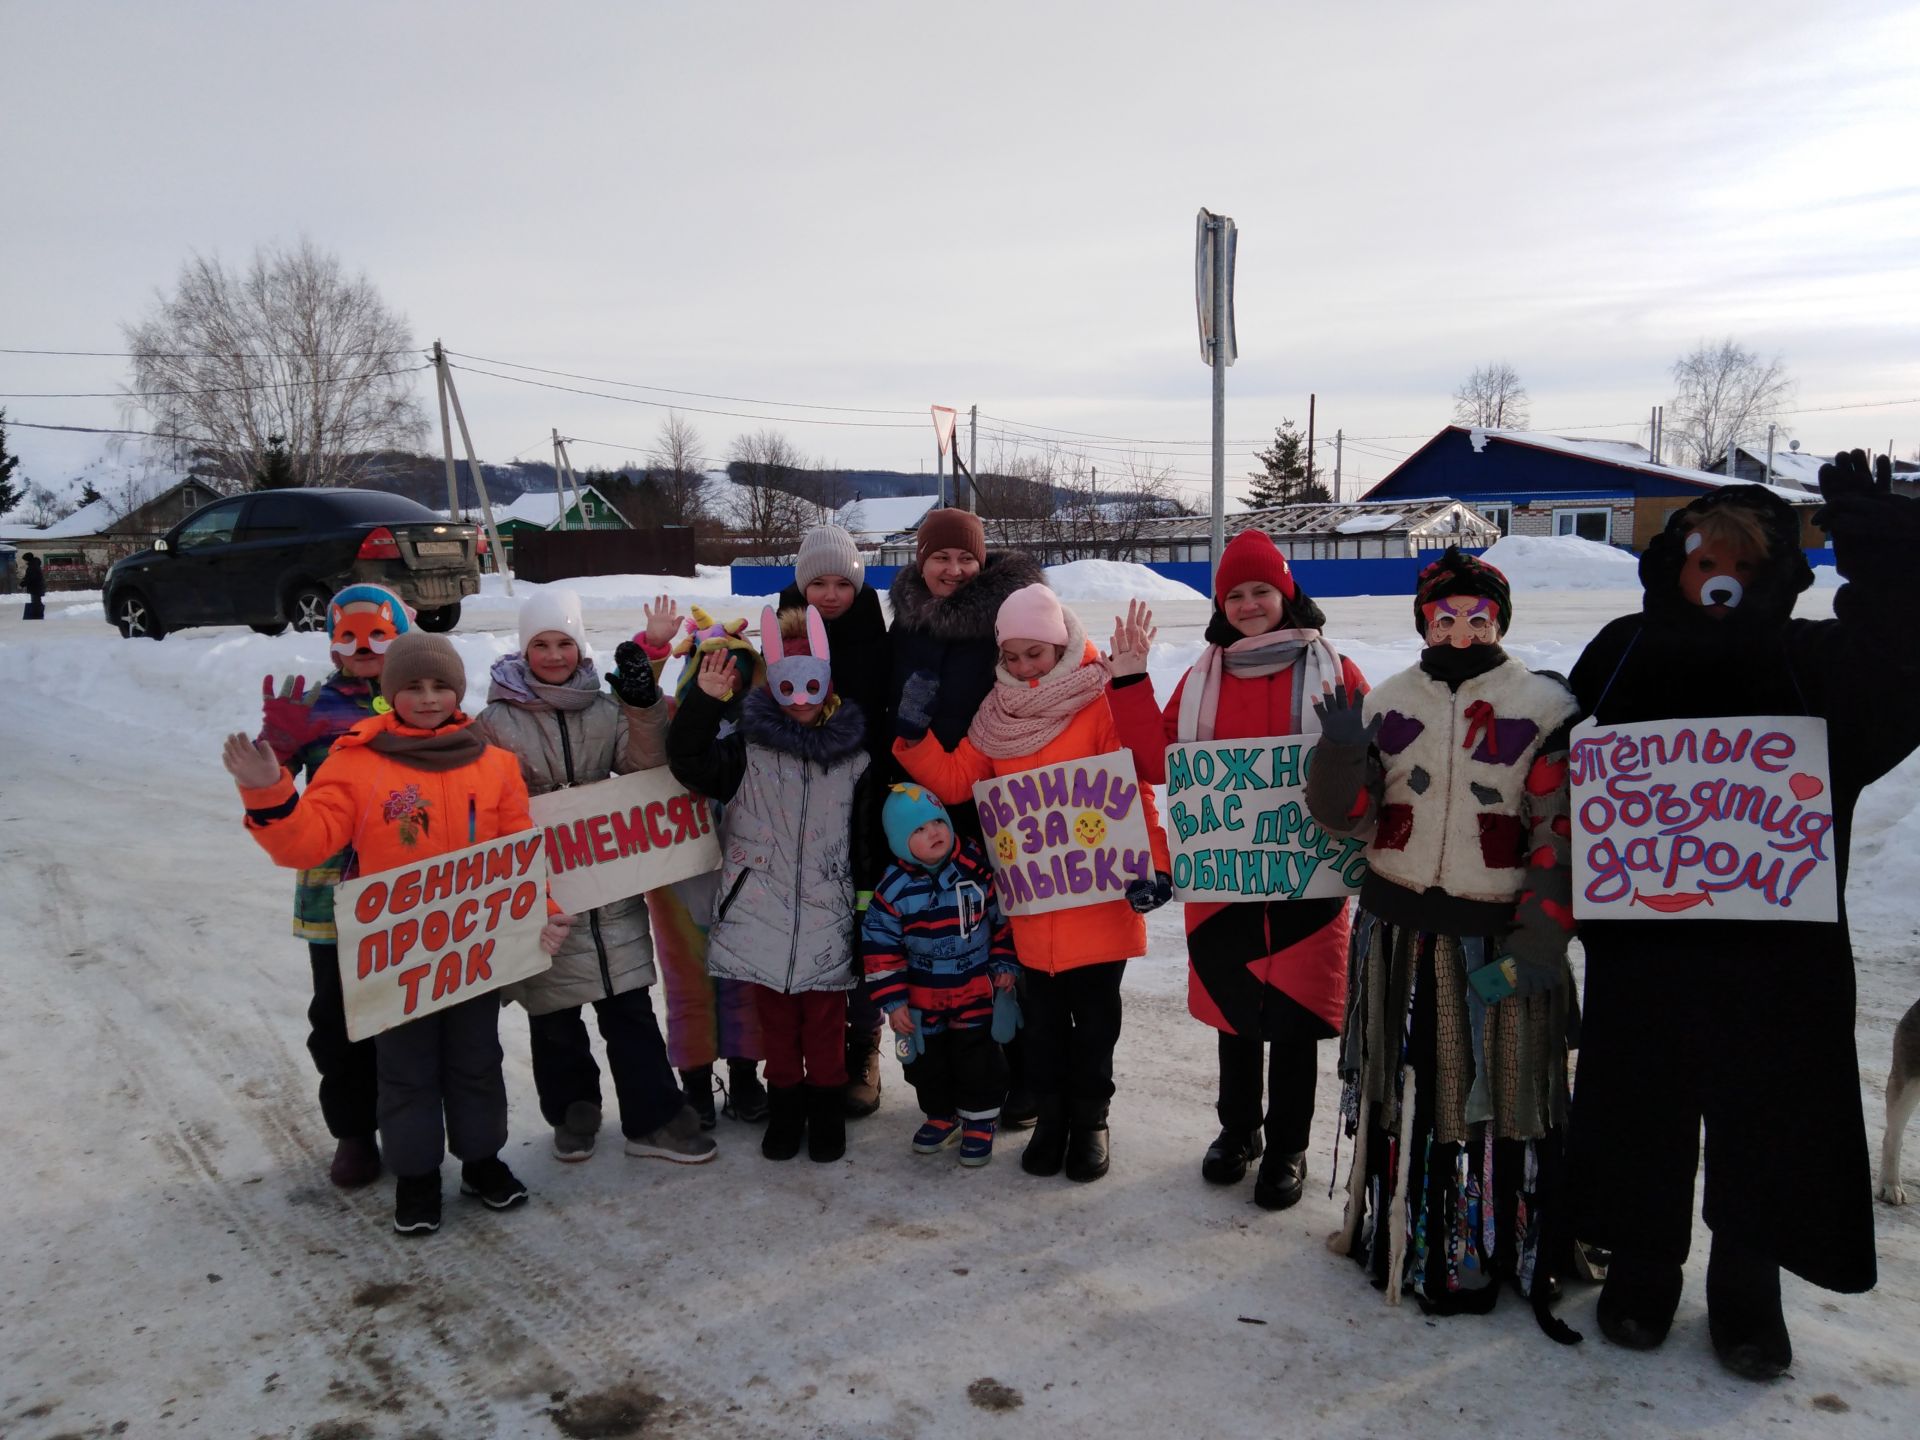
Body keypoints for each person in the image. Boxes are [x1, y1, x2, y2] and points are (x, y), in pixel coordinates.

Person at [1564, 457, 1920, 1379]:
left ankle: (1746, 1283)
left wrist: (1875, 546)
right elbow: (1553, 754)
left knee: (1771, 1116)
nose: (1722, 579)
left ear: (1776, 577)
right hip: (1648, 948)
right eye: (1704, 560)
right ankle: (1643, 1264)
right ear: (1672, 566)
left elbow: (1907, 655)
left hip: (1779, 957)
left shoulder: (1816, 664)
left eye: (1747, 565)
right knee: (1640, 1107)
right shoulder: (1622, 652)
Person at [1305, 547, 1579, 1319]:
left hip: (1495, 935)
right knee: (1412, 1092)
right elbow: (1348, 815)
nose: (1462, 627)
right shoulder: (1390, 700)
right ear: (1425, 620)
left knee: (1500, 1097)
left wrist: (1538, 943)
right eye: (1445, 615)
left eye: (1478, 614)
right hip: (1400, 929)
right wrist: (1337, 749)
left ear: (1500, 618)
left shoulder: (1546, 708)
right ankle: (1412, 1234)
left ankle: (1503, 1241)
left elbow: (1560, 839)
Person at [222, 632, 570, 1236]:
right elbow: (309, 840)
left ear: (459, 692)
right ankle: (416, 1176)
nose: (429, 698)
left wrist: (541, 907)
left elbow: (519, 851)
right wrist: (269, 791)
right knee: (405, 1069)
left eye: (441, 686)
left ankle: (483, 1161)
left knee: (477, 1060)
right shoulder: (355, 763)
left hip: (473, 945)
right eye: (413, 686)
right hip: (398, 953)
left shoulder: (494, 765)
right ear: (390, 694)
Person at [1107, 530, 1369, 1209]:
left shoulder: (1337, 671)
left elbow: (1371, 777)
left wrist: (1349, 755)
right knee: (1235, 1016)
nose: (1250, 604)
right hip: (1225, 880)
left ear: (1286, 594)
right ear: (1222, 603)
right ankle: (1238, 1132)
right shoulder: (1202, 675)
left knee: (1294, 1022)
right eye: (1236, 594)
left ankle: (1287, 1147)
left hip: (1307, 877)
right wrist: (1131, 679)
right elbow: (1158, 763)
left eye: (1262, 591)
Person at [893, 583, 1173, 1182]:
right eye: (1012, 656)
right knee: (1041, 1030)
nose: (1024, 666)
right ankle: (1051, 1121)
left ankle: (1091, 1123)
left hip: (1099, 904)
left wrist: (1156, 864)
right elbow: (955, 780)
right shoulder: (996, 716)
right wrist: (914, 738)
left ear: (1061, 643)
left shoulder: (1097, 702)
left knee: (1095, 1027)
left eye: (1036, 653)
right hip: (1030, 907)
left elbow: (1133, 789)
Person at [473, 588, 715, 1167]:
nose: (554, 655)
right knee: (554, 1012)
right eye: (541, 644)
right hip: (544, 890)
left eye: (564, 643)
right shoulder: (496, 721)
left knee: (628, 1003)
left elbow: (644, 769)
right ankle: (573, 1110)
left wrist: (642, 706)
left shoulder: (604, 709)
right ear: (524, 649)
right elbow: (483, 799)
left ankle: (654, 1117)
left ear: (579, 646)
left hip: (610, 885)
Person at [667, 605, 880, 1163]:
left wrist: (862, 907)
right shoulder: (744, 749)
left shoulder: (853, 756)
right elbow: (689, 761)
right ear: (772, 679)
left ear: (828, 679)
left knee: (827, 1029)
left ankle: (827, 1115)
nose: (802, 697)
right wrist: (704, 702)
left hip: (828, 919)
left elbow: (864, 838)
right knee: (777, 1029)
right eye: (788, 682)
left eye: (813, 682)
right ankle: (787, 1114)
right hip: (760, 914)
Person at [887, 508, 1047, 1128]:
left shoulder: (1006, 618)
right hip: (926, 801)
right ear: (920, 561)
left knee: (1005, 940)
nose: (954, 570)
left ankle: (1022, 1077)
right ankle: (955, 1079)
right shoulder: (903, 622)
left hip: (999, 802)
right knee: (941, 944)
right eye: (941, 558)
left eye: (966, 559)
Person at [253, 583, 411, 1188]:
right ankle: (353, 1130)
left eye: (378, 632)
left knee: (409, 1014)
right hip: (335, 891)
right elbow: (275, 788)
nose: (364, 646)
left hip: (414, 887)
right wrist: (278, 749)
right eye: (348, 635)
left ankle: (410, 1124)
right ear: (332, 643)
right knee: (341, 1016)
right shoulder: (314, 706)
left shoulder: (423, 699)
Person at [634, 602, 769, 1129]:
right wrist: (652, 653)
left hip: (745, 873)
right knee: (688, 981)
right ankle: (692, 1080)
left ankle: (742, 1075)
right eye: (712, 667)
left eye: (735, 667)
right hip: (678, 874)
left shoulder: (764, 727)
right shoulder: (670, 719)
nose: (725, 677)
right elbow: (636, 715)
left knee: (742, 980)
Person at [780, 524, 894, 1119]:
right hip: (794, 812)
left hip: (866, 808)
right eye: (816, 583)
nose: (829, 594)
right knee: (802, 932)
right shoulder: (783, 637)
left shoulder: (879, 637)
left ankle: (862, 1046)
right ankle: (796, 1056)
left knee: (859, 930)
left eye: (841, 583)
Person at [863, 784, 1018, 1166]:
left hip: (973, 993)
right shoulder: (892, 889)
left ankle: (980, 1120)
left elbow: (1002, 922)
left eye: (937, 822)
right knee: (924, 1064)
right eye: (918, 830)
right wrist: (893, 1000)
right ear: (900, 842)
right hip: (921, 1001)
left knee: (977, 1059)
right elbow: (880, 947)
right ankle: (941, 1115)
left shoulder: (976, 870)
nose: (933, 832)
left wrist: (1003, 964)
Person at [21, 552, 45, 619]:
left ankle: (37, 615)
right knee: (36, 601)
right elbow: (31, 576)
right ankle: (38, 614)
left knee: (36, 602)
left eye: (24, 559)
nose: (24, 561)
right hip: (37, 586)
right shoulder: (34, 565)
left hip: (35, 587)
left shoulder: (32, 566)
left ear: (27, 559)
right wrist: (25, 579)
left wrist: (23, 584)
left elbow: (31, 578)